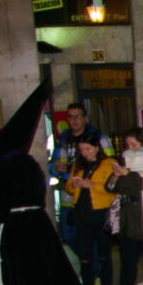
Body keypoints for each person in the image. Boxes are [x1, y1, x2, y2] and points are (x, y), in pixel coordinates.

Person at [0, 82, 143, 285]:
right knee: (90, 258)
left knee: (114, 258)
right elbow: (63, 179)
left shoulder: (102, 152)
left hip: (112, 217)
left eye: (77, 116)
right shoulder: (56, 148)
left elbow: (115, 187)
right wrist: (69, 178)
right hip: (67, 218)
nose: (85, 153)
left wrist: (103, 182)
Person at [49, 102, 114, 256]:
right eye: (71, 117)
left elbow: (111, 165)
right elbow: (52, 164)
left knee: (94, 239)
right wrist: (56, 168)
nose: (75, 120)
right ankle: (90, 262)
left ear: (86, 117)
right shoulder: (63, 139)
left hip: (94, 196)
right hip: (69, 194)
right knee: (68, 235)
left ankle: (94, 266)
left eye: (78, 116)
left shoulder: (99, 137)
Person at [63, 131, 117, 285]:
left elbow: (114, 187)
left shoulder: (109, 163)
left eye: (88, 149)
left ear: (97, 147)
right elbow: (69, 187)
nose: (85, 153)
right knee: (85, 257)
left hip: (101, 214)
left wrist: (92, 185)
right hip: (82, 214)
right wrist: (73, 184)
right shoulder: (78, 164)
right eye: (82, 150)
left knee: (104, 256)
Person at [104, 127, 143, 285]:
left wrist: (127, 175)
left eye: (134, 145)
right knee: (127, 266)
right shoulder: (125, 164)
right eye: (127, 145)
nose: (130, 149)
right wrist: (117, 175)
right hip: (127, 221)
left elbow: (140, 187)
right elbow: (110, 187)